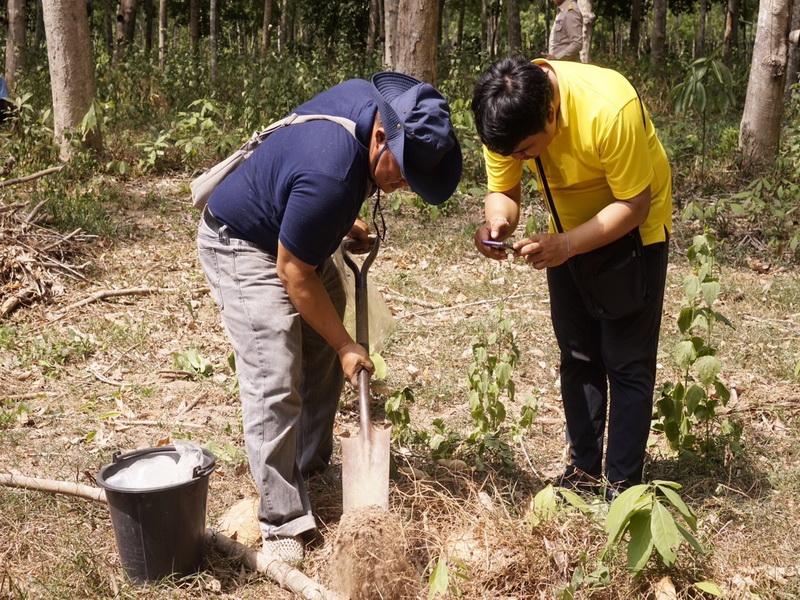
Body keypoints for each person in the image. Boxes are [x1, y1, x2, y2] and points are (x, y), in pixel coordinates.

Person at [197, 72, 462, 562]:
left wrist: (338, 220)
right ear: (382, 136)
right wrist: (347, 345)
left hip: (290, 228)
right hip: (242, 242)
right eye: (403, 173)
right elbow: (293, 270)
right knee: (274, 370)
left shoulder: (370, 108)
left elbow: (304, 170)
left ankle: (307, 463)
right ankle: (280, 520)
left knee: (320, 341)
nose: (403, 186)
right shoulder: (331, 175)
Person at [471, 56, 672, 497]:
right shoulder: (505, 118)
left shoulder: (608, 107)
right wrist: (497, 223)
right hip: (567, 233)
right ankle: (581, 474)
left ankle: (623, 486)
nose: (519, 159)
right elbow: (503, 190)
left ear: (551, 112)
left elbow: (634, 204)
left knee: (626, 360)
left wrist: (567, 245)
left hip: (635, 231)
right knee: (578, 353)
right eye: (512, 154)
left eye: (526, 151)